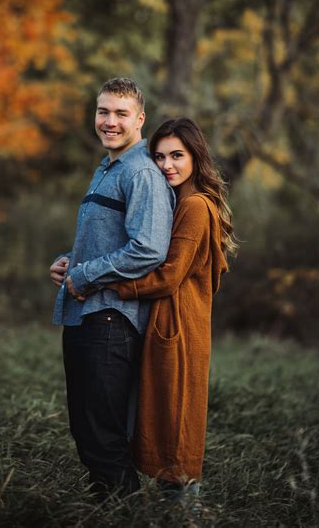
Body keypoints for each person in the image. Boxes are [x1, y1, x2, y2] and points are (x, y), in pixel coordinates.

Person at [78, 117, 237, 498]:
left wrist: (110, 284)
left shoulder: (196, 206)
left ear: (196, 158)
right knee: (165, 419)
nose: (167, 165)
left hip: (180, 327)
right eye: (160, 156)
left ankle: (184, 514)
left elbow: (167, 275)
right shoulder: (183, 201)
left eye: (177, 156)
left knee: (176, 423)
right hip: (175, 322)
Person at [50, 78, 175, 499]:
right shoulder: (108, 167)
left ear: (140, 119)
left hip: (111, 320)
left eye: (121, 113)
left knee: (102, 434)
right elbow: (111, 238)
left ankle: (123, 511)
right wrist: (71, 259)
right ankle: (105, 507)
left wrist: (85, 276)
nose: (110, 121)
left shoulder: (141, 172)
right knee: (88, 428)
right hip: (90, 314)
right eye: (103, 111)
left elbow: (148, 249)